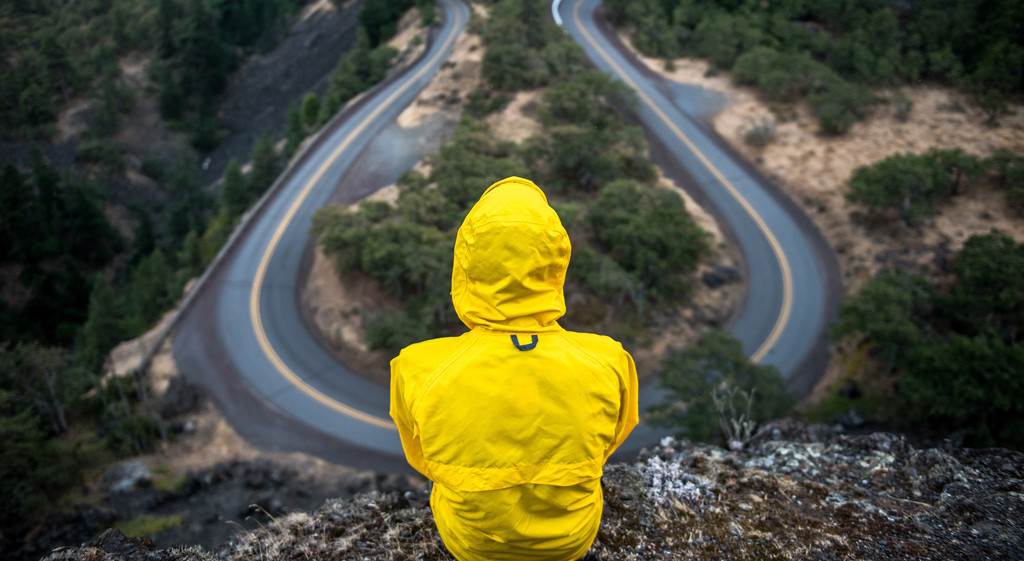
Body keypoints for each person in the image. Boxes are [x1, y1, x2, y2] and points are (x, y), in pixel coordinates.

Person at [389, 176, 639, 561]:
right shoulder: (609, 361)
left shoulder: (416, 367)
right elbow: (608, 444)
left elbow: (423, 458)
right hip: (571, 541)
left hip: (472, 545)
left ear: (465, 267)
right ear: (556, 264)